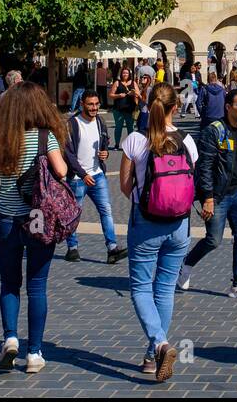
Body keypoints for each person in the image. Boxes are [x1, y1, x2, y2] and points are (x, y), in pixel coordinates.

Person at [0, 82, 69, 374]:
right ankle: (34, 353)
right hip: (38, 218)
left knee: (9, 283)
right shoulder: (46, 137)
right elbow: (62, 171)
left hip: (7, 219)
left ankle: (10, 338)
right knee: (37, 286)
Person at [118, 82, 196, 380]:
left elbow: (126, 187)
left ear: (148, 104)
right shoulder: (187, 140)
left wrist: (149, 202)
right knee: (164, 289)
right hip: (179, 225)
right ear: (176, 107)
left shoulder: (136, 141)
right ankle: (151, 356)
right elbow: (192, 184)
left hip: (146, 223)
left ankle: (160, 344)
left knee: (140, 287)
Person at [179, 87, 237, 300]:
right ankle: (187, 263)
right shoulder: (214, 130)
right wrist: (207, 198)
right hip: (217, 196)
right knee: (213, 240)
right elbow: (204, 167)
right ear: (228, 107)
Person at [63, 90, 125, 265]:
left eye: (97, 104)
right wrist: (83, 175)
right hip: (77, 178)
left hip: (97, 175)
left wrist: (104, 153)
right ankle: (72, 248)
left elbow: (104, 143)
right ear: (82, 103)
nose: (94, 108)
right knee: (74, 213)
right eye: (90, 104)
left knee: (106, 211)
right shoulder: (72, 124)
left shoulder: (100, 121)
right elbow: (68, 154)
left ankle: (112, 248)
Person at [109, 67, 139, 147]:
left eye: (126, 73)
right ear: (121, 74)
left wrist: (133, 94)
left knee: (130, 128)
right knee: (118, 128)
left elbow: (138, 94)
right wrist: (118, 95)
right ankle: (117, 144)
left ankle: (130, 146)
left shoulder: (133, 83)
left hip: (130, 109)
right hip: (118, 109)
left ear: (129, 74)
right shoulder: (117, 83)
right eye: (123, 73)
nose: (125, 74)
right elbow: (111, 95)